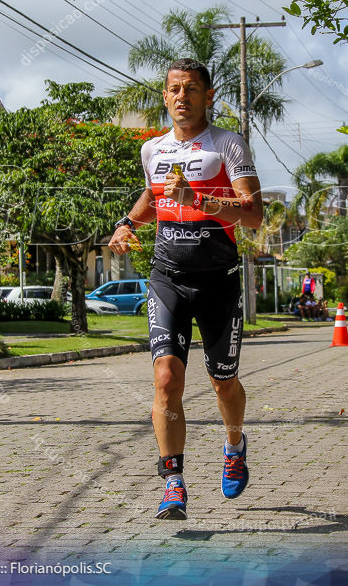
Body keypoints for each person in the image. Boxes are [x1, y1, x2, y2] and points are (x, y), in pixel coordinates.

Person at [108, 58, 263, 520]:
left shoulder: (227, 145)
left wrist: (199, 199)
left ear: (209, 96)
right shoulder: (152, 150)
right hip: (167, 279)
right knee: (166, 378)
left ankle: (234, 444)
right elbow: (155, 195)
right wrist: (127, 222)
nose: (182, 97)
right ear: (164, 96)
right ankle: (172, 482)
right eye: (174, 89)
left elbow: (253, 214)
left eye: (191, 89)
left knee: (223, 382)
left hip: (218, 281)